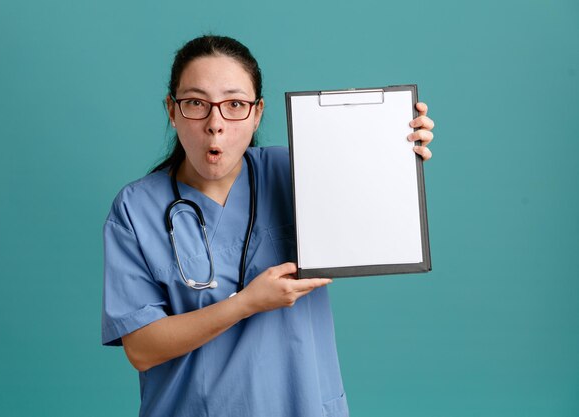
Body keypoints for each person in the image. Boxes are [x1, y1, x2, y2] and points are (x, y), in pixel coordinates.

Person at [102, 35, 435, 417]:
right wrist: (246, 304)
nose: (216, 124)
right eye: (196, 103)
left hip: (302, 404)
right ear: (172, 111)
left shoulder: (293, 171)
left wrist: (398, 145)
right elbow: (142, 349)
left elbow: (372, 212)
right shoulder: (135, 209)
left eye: (235, 105)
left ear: (257, 113)